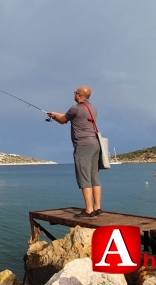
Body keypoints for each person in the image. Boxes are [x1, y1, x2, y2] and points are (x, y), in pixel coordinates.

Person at [47, 86, 102, 219]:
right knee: (94, 176)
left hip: (83, 146)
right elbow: (69, 116)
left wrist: (54, 116)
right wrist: (55, 113)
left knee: (84, 177)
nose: (74, 94)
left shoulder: (75, 108)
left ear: (79, 95)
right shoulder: (93, 108)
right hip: (95, 144)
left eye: (75, 93)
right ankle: (97, 207)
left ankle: (89, 211)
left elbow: (63, 120)